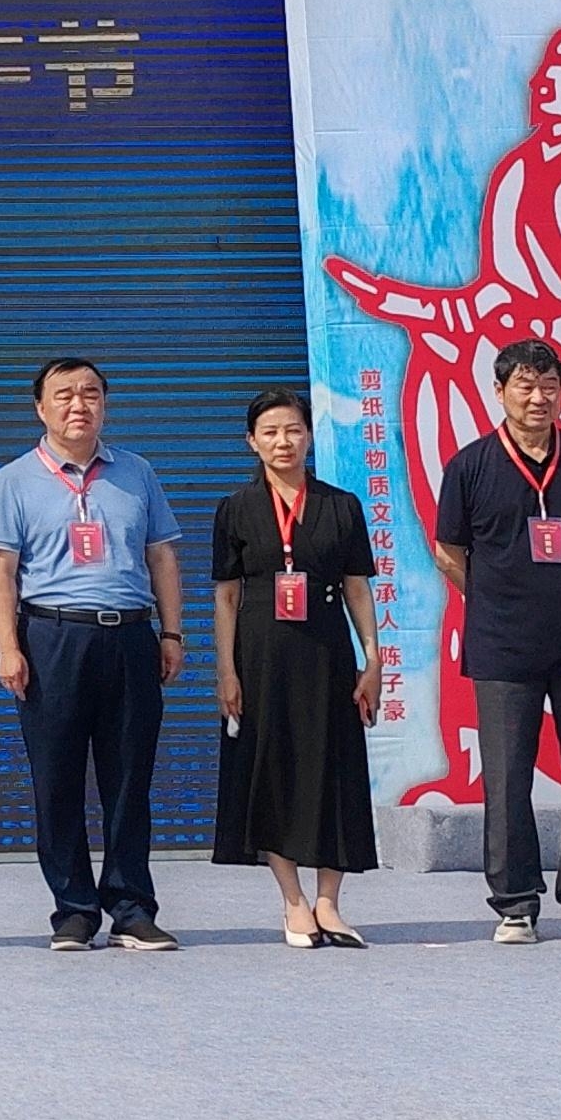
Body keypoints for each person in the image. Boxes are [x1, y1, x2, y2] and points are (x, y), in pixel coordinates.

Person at [429, 337, 561, 946]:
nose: (538, 397)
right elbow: (448, 553)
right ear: (499, 391)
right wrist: (500, 598)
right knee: (507, 775)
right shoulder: (470, 465)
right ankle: (515, 903)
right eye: (525, 385)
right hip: (502, 647)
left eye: (549, 386)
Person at [0, 358, 188, 952]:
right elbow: (1, 572)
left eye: (91, 394)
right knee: (57, 779)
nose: (79, 405)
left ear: (105, 404)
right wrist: (7, 649)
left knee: (129, 778)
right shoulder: (13, 480)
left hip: (129, 636)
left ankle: (130, 906)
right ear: (40, 407)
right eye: (64, 395)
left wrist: (171, 634)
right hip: (51, 638)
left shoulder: (136, 472)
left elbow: (163, 557)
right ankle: (73, 908)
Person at [206, 385, 386, 946]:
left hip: (328, 653)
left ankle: (330, 902)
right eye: (270, 432)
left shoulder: (341, 505)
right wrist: (226, 671)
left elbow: (357, 588)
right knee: (271, 772)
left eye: (293, 430)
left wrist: (372, 659)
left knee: (334, 770)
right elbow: (226, 597)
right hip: (260, 656)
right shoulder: (235, 509)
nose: (283, 442)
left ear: (309, 436)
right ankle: (294, 903)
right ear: (251, 443)